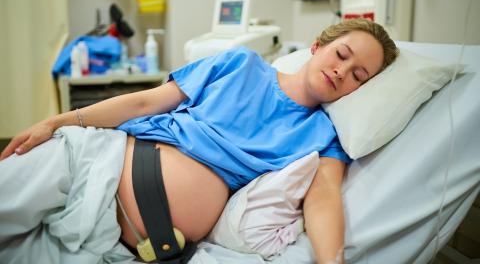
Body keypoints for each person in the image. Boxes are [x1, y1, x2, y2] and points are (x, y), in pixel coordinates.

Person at [0, 18, 398, 264]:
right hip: (92, 160)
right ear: (317, 46)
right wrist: (56, 122)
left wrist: (333, 262)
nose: (343, 71)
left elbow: (325, 196)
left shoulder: (323, 136)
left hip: (125, 245)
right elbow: (145, 101)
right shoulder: (239, 65)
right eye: (341, 54)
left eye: (359, 75)